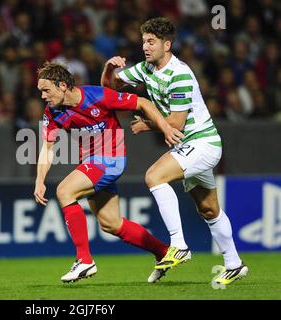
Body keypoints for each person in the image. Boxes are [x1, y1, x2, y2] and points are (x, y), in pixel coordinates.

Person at [101, 17, 248, 285]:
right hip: (188, 146)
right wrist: (108, 68)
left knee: (154, 176)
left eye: (151, 42)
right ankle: (234, 263)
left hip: (203, 143)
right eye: (144, 41)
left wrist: (147, 124)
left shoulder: (179, 74)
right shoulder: (146, 69)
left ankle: (178, 245)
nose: (145, 46)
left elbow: (176, 125)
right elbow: (109, 90)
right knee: (208, 209)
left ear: (167, 44)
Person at [34, 61, 184, 283]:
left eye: (46, 90)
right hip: (93, 163)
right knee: (111, 224)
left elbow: (141, 102)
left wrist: (166, 128)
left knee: (65, 191)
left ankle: (84, 260)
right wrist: (39, 181)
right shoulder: (53, 112)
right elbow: (47, 147)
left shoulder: (97, 96)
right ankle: (164, 252)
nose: (43, 96)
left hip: (111, 159)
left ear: (62, 85)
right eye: (41, 92)